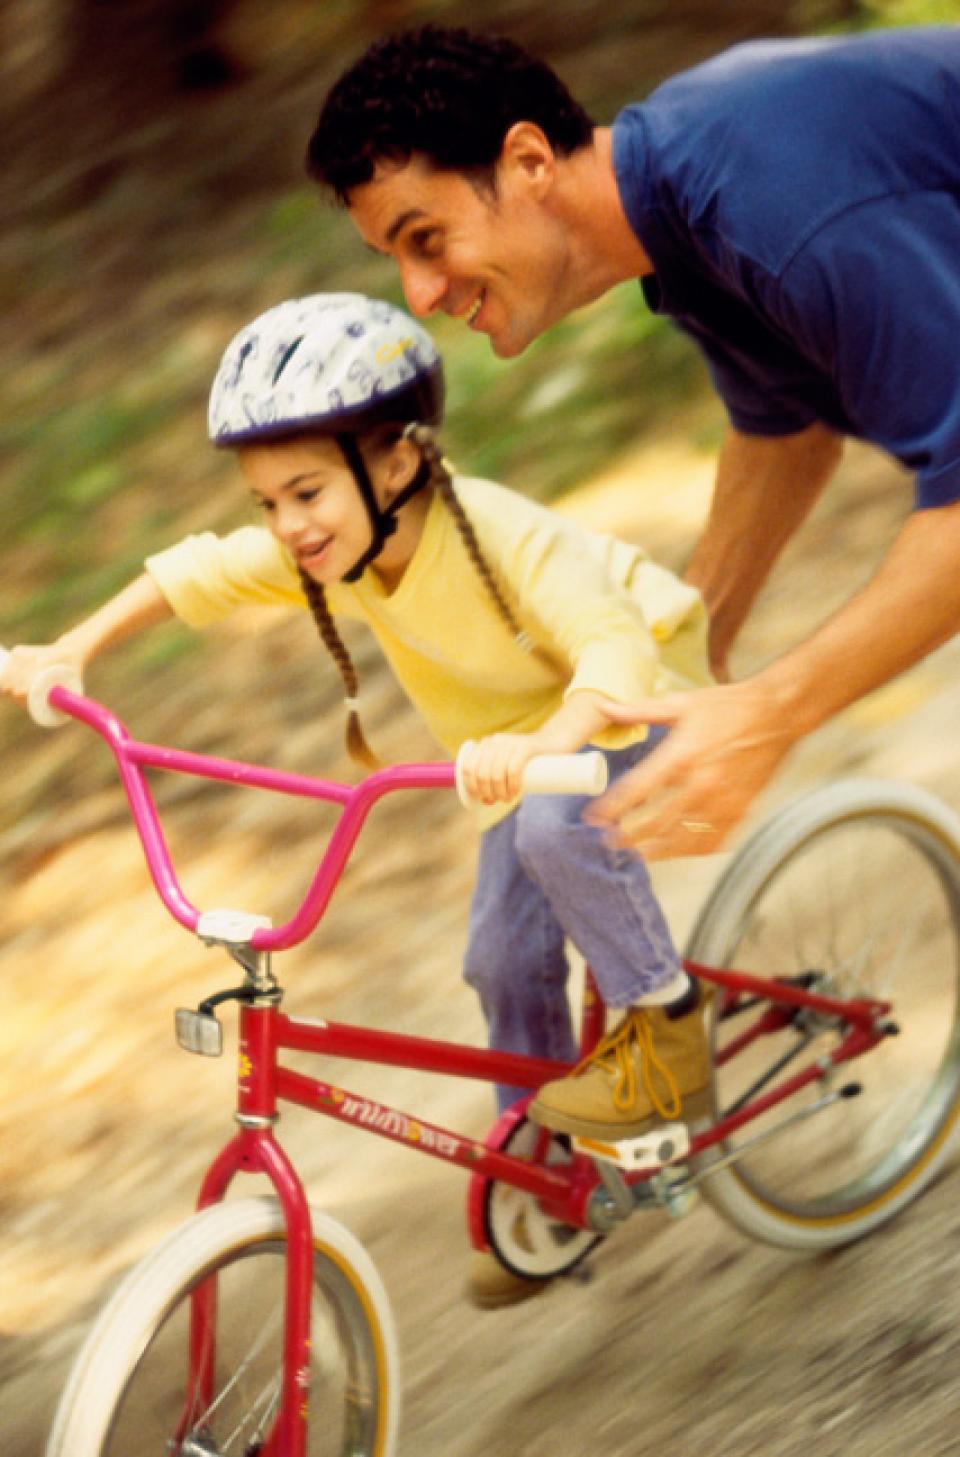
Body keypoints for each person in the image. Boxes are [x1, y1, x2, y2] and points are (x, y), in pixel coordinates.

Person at [2, 292, 712, 1306]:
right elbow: (199, 571)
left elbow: (610, 640)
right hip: (523, 747)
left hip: (639, 698)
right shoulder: (339, 554)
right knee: (499, 959)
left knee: (557, 828)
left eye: (305, 493)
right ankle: (547, 1169)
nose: (288, 526)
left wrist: (548, 741)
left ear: (397, 461)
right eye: (270, 504)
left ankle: (668, 1024)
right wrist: (76, 646)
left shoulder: (499, 534)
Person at [307, 23, 960, 862]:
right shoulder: (681, 202)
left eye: (425, 239)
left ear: (530, 161)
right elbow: (785, 432)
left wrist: (770, 711)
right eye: (395, 258)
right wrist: (674, 649)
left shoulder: (773, 200)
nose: (421, 294)